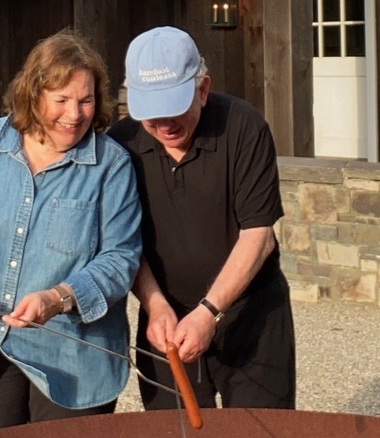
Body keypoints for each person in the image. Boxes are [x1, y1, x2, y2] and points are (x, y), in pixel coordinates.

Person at [0, 29, 142, 437]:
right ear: (33, 94)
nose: (75, 114)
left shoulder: (112, 166)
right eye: (61, 100)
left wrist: (58, 298)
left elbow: (120, 258)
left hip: (73, 363)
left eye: (86, 100)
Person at [107, 26, 295, 410]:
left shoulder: (244, 126)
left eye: (174, 108)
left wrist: (209, 311)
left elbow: (259, 236)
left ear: (203, 89)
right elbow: (124, 241)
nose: (163, 126)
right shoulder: (120, 144)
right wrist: (155, 303)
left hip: (251, 318)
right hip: (166, 324)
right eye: (150, 115)